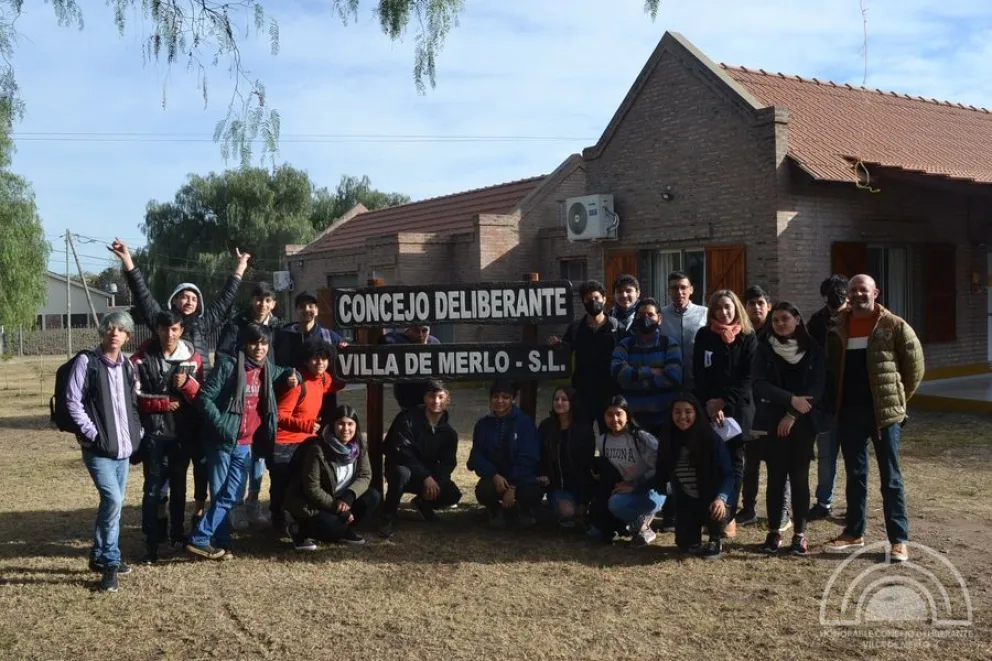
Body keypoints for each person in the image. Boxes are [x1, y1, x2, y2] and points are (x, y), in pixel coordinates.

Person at [824, 275, 924, 563]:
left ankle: (898, 540)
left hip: (883, 415)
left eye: (863, 289)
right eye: (853, 290)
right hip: (849, 413)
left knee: (890, 478)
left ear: (875, 292)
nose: (857, 294)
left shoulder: (894, 325)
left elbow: (914, 368)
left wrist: (897, 401)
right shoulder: (839, 326)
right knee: (855, 475)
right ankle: (854, 532)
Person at [185, 324, 297, 560]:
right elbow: (205, 398)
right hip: (221, 442)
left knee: (232, 494)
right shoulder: (228, 365)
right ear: (245, 344)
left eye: (264, 343)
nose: (259, 348)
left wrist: (291, 374)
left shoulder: (267, 368)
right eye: (255, 343)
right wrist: (223, 427)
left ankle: (203, 537)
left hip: (245, 444)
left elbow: (286, 370)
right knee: (220, 493)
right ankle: (219, 542)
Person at [65, 311, 143, 592]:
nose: (114, 333)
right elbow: (73, 402)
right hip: (98, 450)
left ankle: (98, 554)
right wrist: (94, 434)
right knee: (114, 500)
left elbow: (134, 404)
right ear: (102, 331)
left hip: (123, 449)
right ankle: (111, 562)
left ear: (128, 336)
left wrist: (138, 433)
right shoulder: (88, 362)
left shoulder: (128, 366)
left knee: (113, 504)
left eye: (120, 329)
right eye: (110, 328)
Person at [752, 302, 826, 556]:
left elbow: (817, 388)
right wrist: (790, 400)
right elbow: (759, 384)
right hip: (772, 422)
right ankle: (774, 531)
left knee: (799, 479)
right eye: (775, 321)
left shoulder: (813, 349)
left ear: (797, 319)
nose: (780, 324)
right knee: (775, 479)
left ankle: (800, 535)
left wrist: (793, 413)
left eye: (785, 319)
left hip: (803, 424)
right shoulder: (764, 348)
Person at [131, 311, 204, 563]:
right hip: (155, 433)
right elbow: (134, 397)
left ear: (181, 330)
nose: (169, 334)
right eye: (164, 329)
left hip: (182, 434)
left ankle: (176, 533)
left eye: (174, 329)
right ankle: (151, 540)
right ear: (157, 330)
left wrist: (187, 385)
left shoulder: (193, 358)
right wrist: (162, 403)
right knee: (152, 489)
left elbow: (202, 397)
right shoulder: (140, 359)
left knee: (179, 487)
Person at [108, 238, 249, 356]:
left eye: (194, 299)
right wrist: (128, 261)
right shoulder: (160, 320)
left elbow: (225, 299)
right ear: (174, 300)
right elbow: (141, 293)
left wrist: (241, 267)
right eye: (185, 297)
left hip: (199, 387)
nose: (189, 302)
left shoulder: (203, 324)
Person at [693, 290, 756, 538]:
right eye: (718, 308)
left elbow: (748, 377)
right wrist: (710, 403)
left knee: (734, 462)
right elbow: (700, 372)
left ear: (736, 308)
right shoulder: (704, 336)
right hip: (709, 409)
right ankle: (710, 511)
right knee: (711, 462)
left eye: (728, 307)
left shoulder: (748, 337)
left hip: (737, 410)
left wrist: (723, 403)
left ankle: (728, 514)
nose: (724, 312)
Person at [269, 339, 345, 537]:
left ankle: (296, 519)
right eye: (315, 358)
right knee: (282, 484)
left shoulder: (322, 379)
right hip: (284, 444)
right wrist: (306, 425)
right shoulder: (297, 382)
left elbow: (340, 382)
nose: (320, 362)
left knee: (302, 484)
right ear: (307, 360)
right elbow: (279, 415)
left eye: (324, 359)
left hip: (306, 441)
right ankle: (277, 520)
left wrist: (343, 354)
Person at [283, 406, 382, 549]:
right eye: (340, 424)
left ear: (356, 426)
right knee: (332, 532)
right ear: (332, 425)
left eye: (350, 424)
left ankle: (345, 530)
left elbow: (365, 475)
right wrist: (338, 508)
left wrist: (350, 495)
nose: (346, 429)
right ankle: (299, 530)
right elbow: (312, 488)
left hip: (341, 498)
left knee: (373, 496)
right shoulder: (318, 449)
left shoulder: (359, 445)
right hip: (313, 503)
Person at [738, 284, 791, 530]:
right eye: (751, 303)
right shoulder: (741, 335)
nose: (756, 308)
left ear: (768, 307)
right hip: (750, 409)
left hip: (776, 409)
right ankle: (748, 508)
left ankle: (782, 512)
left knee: (779, 464)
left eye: (760, 303)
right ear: (744, 307)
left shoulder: (779, 336)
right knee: (750, 464)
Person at [379, 380, 462, 537]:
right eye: (431, 396)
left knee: (452, 494)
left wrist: (436, 480)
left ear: (448, 399)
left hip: (427, 478)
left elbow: (447, 464)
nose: (436, 401)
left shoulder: (449, 433)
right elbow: (401, 451)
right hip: (405, 472)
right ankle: (388, 516)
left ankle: (423, 503)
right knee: (400, 473)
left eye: (440, 397)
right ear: (425, 398)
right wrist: (425, 476)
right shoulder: (407, 419)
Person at [655, 393, 733, 559]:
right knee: (685, 545)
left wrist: (721, 498)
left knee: (718, 510)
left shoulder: (711, 438)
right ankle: (692, 535)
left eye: (688, 411)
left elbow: (728, 474)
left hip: (712, 497)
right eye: (677, 412)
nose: (682, 416)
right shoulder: (668, 439)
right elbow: (659, 475)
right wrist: (635, 487)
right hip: (687, 501)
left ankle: (715, 538)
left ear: (696, 413)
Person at [587, 396, 664, 546]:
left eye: (618, 414)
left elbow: (661, 469)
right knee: (613, 503)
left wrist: (636, 484)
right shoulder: (603, 440)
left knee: (617, 503)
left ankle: (644, 525)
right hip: (625, 489)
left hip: (651, 489)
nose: (614, 419)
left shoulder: (641, 438)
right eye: (609, 415)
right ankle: (634, 525)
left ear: (627, 415)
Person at [548, 280, 624, 434]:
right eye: (588, 299)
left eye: (596, 298)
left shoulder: (616, 327)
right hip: (583, 392)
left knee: (610, 433)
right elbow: (565, 352)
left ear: (603, 298)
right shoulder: (576, 328)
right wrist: (557, 345)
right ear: (583, 301)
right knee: (581, 433)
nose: (593, 302)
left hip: (609, 391)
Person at [468, 380, 542, 528]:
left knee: (532, 491)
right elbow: (476, 456)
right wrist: (494, 475)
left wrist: (513, 486)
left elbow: (529, 456)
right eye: (496, 396)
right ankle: (495, 510)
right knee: (483, 490)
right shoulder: (483, 424)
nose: (500, 401)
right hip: (497, 478)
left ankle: (524, 510)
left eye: (505, 397)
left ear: (513, 399)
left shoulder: (524, 423)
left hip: (521, 480)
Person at [807, 274, 850, 522]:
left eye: (839, 298)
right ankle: (824, 501)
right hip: (826, 401)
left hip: (853, 400)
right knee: (826, 455)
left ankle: (855, 503)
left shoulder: (856, 320)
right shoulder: (817, 322)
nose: (835, 304)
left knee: (856, 460)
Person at [610, 296, 683, 433]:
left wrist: (633, 380)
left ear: (659, 319)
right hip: (632, 420)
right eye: (641, 315)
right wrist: (650, 372)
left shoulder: (669, 344)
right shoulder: (625, 344)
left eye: (650, 314)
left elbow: (674, 377)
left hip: (664, 419)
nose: (646, 318)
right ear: (636, 318)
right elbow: (616, 371)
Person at [536, 387, 596, 528]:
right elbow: (540, 456)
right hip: (556, 487)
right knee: (568, 513)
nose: (559, 402)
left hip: (579, 486)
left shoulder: (584, 429)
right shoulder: (546, 426)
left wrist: (583, 501)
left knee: (579, 514)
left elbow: (586, 466)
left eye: (564, 399)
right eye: (556, 399)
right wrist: (543, 474)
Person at [660, 271, 708, 389]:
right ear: (668, 291)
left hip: (698, 380)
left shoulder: (705, 313)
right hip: (668, 381)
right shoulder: (660, 315)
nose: (679, 292)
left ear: (691, 290)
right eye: (675, 288)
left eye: (683, 287)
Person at [380, 325, 441, 410]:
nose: (420, 335)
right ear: (408, 331)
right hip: (408, 398)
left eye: (424, 331)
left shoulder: (434, 342)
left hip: (430, 395)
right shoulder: (396, 339)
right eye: (416, 331)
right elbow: (385, 341)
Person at [216, 282, 281, 357]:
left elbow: (281, 357)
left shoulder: (277, 327)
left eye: (268, 300)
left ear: (273, 304)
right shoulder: (236, 324)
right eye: (259, 299)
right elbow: (223, 354)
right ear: (252, 300)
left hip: (268, 368)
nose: (263, 304)